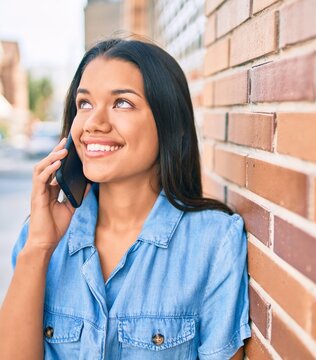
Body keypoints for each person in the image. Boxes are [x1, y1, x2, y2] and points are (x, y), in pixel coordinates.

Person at [0, 38, 251, 359]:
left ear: (169, 123)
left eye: (122, 103)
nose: (94, 123)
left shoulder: (214, 241)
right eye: (85, 104)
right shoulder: (39, 236)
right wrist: (37, 249)